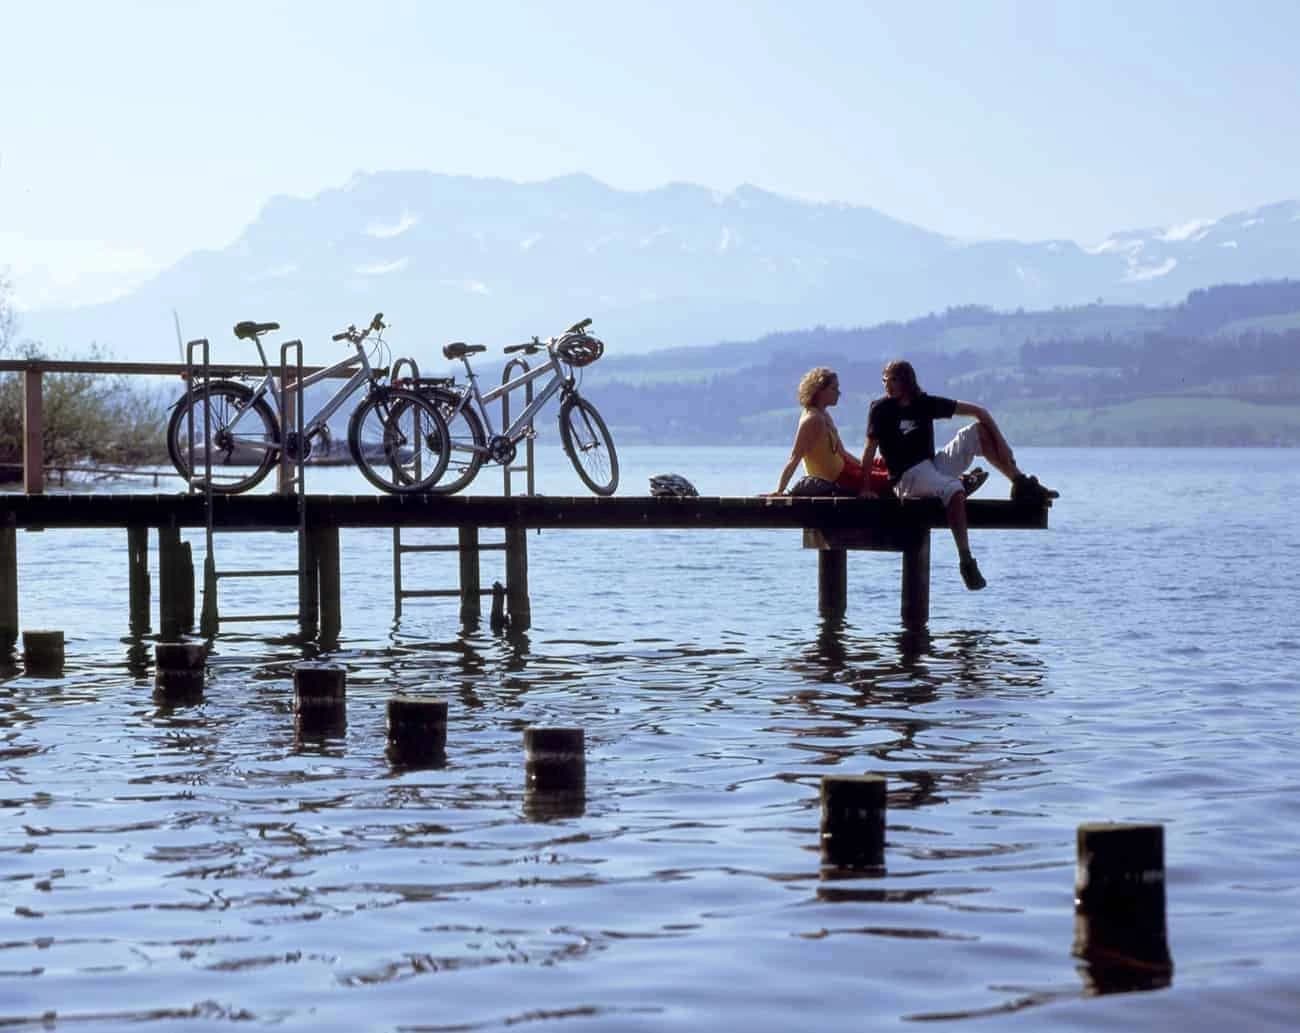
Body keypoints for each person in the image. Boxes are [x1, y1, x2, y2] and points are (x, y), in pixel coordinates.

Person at [860, 359, 1057, 591]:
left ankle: (1020, 483)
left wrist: (1001, 443)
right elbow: (869, 450)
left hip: (931, 465)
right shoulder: (880, 409)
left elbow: (979, 412)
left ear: (906, 381)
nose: (887, 385)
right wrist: (865, 487)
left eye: (893, 380)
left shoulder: (924, 403)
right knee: (954, 489)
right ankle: (966, 560)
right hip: (907, 477)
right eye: (885, 380)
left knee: (976, 432)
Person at [768, 367, 890, 497]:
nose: (838, 393)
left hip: (847, 469)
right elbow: (794, 458)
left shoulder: (824, 414)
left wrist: (866, 467)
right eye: (834, 388)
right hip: (838, 480)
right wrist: (780, 490)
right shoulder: (812, 420)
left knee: (887, 464)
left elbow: (843, 453)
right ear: (819, 391)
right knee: (890, 479)